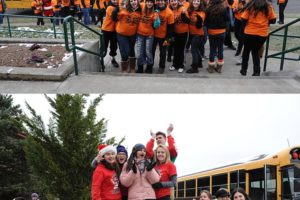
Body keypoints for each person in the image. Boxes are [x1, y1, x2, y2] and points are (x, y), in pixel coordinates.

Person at [240, 0, 276, 76]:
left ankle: (243, 70)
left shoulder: (250, 6)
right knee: (255, 52)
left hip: (250, 32)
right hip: (262, 34)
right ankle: (256, 71)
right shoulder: (268, 6)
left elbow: (243, 19)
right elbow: (273, 20)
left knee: (246, 51)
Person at [112, 0, 142, 73]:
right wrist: (116, 9)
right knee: (125, 52)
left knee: (131, 50)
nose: (133, 2)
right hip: (122, 34)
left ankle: (132, 68)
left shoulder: (140, 10)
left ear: (138, 1)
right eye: (131, 1)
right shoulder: (124, 9)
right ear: (129, 2)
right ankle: (124, 69)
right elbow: (114, 18)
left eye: (134, 0)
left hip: (132, 34)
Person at [136, 0, 160, 73]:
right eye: (148, 2)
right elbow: (133, 5)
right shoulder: (141, 6)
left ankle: (149, 67)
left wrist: (157, 21)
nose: (149, 3)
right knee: (140, 52)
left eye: (151, 2)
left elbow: (156, 26)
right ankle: (140, 66)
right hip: (140, 34)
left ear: (153, 3)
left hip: (149, 35)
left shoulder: (155, 12)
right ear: (145, 2)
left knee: (148, 52)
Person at [205, 0, 229, 73]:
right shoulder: (224, 9)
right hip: (221, 32)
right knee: (220, 48)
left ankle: (211, 67)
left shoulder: (209, 9)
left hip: (212, 32)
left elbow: (206, 21)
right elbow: (227, 19)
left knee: (212, 49)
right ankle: (219, 67)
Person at [151, 0, 174, 74]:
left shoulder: (169, 12)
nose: (160, 2)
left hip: (164, 36)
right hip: (153, 35)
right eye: (158, 1)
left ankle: (162, 67)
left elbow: (171, 28)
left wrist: (168, 40)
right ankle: (150, 65)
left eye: (162, 1)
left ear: (165, 2)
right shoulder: (154, 9)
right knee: (151, 52)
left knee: (163, 53)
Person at [168, 0, 190, 73]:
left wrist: (183, 15)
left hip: (183, 33)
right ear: (170, 2)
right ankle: (175, 64)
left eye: (175, 1)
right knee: (175, 49)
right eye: (172, 1)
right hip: (175, 33)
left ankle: (181, 65)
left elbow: (187, 21)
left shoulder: (183, 8)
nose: (173, 3)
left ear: (177, 2)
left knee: (181, 50)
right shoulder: (169, 9)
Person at [186, 0, 206, 73]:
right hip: (191, 34)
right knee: (196, 49)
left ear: (200, 3)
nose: (196, 2)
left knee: (193, 50)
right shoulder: (190, 11)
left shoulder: (202, 13)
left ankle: (195, 68)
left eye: (198, 1)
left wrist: (199, 19)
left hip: (198, 35)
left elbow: (198, 26)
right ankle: (199, 63)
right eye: (195, 1)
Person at [101, 0, 120, 68]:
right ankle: (101, 60)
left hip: (114, 30)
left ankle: (113, 59)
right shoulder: (110, 7)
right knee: (104, 46)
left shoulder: (119, 7)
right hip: (106, 30)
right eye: (114, 0)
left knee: (114, 46)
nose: (115, 1)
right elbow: (114, 17)